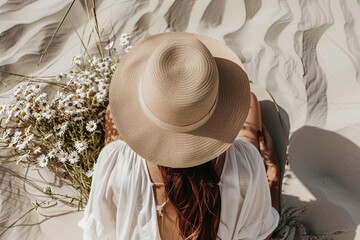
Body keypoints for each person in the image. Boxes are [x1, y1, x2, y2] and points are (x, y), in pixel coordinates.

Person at [79, 32, 280, 240]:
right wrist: (273, 171)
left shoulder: (115, 163)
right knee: (251, 103)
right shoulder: (246, 163)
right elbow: (261, 234)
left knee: (113, 110)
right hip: (229, 174)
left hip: (129, 174)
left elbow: (98, 234)